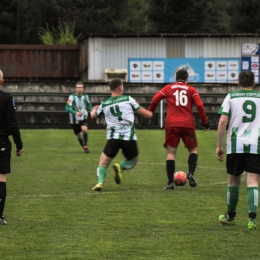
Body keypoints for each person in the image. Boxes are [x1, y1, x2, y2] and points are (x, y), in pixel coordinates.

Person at [148, 69, 209, 190]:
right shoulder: (192, 90)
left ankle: (170, 183)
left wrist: (150, 112)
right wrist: (205, 122)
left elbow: (155, 99)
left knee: (171, 153)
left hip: (172, 125)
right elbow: (200, 106)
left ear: (175, 78)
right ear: (187, 79)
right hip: (188, 124)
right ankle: (191, 173)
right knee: (193, 150)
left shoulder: (167, 88)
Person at [90, 78, 153, 191]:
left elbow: (93, 116)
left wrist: (93, 110)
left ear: (110, 89)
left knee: (103, 163)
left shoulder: (104, 103)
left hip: (113, 138)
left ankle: (100, 183)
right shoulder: (128, 99)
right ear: (120, 88)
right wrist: (150, 112)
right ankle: (120, 166)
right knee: (133, 160)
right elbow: (146, 115)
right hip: (128, 137)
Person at [217, 71, 260, 230]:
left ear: (238, 83)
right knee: (253, 182)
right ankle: (252, 220)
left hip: (235, 144)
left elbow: (222, 122)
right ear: (254, 83)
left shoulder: (231, 97)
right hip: (256, 144)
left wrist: (219, 145)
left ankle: (230, 217)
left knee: (233, 182)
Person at [0, 69, 23, 225]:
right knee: (1, 178)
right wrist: (18, 144)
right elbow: (12, 123)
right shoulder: (7, 98)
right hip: (1, 142)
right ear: (1, 81)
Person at [65, 82, 93, 153]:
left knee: (84, 129)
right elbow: (67, 107)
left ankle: (85, 146)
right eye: (78, 87)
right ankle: (83, 146)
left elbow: (89, 104)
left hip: (83, 117)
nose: (79, 89)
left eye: (81, 87)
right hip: (74, 119)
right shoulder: (71, 97)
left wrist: (91, 110)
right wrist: (76, 113)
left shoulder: (85, 96)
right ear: (75, 89)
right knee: (79, 136)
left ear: (83, 89)